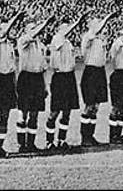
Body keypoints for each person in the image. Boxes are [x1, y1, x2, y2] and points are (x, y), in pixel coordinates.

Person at [0, 12, 24, 158]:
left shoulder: (10, 44)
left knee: (5, 115)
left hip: (8, 80)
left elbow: (12, 67)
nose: (9, 30)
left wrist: (14, 85)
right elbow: (3, 34)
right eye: (6, 27)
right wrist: (15, 18)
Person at [45, 14, 86, 151]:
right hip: (59, 77)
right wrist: (78, 21)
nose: (67, 30)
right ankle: (49, 141)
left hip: (70, 77)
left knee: (67, 111)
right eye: (64, 28)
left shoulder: (68, 43)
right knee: (54, 112)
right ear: (59, 29)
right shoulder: (57, 38)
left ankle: (62, 140)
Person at [16, 16, 54, 153]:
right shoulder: (23, 41)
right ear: (26, 30)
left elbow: (43, 68)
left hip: (38, 79)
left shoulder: (41, 46)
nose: (35, 31)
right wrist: (44, 23)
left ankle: (31, 143)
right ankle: (21, 144)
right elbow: (32, 35)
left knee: (35, 113)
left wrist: (45, 86)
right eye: (31, 28)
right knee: (23, 113)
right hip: (26, 78)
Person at [80, 11, 117, 146]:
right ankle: (85, 137)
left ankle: (91, 135)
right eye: (95, 21)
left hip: (100, 72)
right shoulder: (88, 36)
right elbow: (97, 30)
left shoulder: (100, 40)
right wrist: (108, 17)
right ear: (89, 24)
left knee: (96, 106)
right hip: (91, 72)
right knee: (89, 105)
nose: (99, 24)